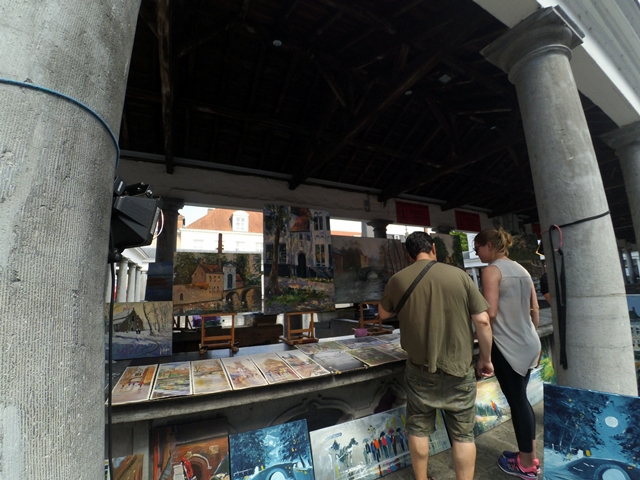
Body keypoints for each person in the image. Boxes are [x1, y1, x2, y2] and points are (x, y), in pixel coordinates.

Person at [378, 232, 493, 480]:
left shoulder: (398, 279)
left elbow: (383, 314)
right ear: (433, 248)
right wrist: (486, 359)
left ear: (409, 255)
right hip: (459, 369)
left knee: (418, 429)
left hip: (420, 370)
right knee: (463, 434)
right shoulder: (460, 276)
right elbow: (483, 321)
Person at [474, 228, 541, 479]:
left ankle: (526, 466)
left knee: (518, 402)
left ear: (489, 246)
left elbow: (488, 314)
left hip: (507, 346)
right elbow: (534, 309)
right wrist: (529, 336)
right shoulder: (521, 269)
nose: (476, 252)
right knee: (522, 400)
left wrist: (483, 353)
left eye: (477, 247)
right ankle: (528, 455)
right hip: (527, 343)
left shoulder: (491, 271)